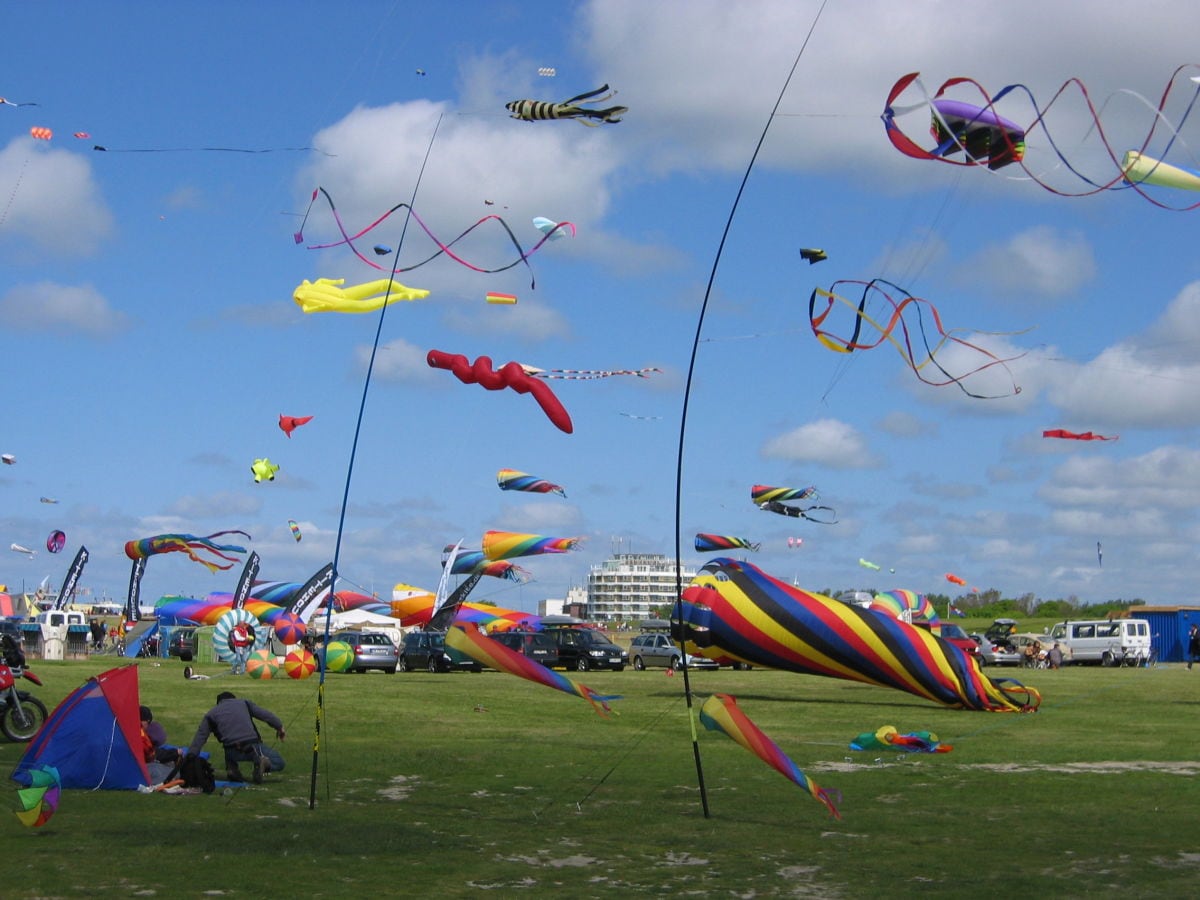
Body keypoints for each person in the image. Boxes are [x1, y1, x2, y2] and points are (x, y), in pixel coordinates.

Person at [187, 690, 285, 784]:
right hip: (252, 747)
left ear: (219, 703)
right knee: (279, 762)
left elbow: (200, 736)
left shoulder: (211, 713)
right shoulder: (244, 703)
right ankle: (261, 764)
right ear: (234, 699)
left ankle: (232, 770)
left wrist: (191, 756)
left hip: (232, 751)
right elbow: (265, 715)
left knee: (227, 743)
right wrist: (279, 727)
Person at [140, 705, 183, 784]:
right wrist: (175, 753)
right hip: (144, 765)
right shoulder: (142, 735)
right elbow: (153, 755)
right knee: (169, 770)